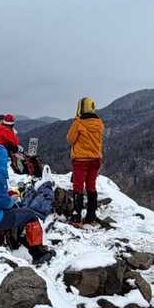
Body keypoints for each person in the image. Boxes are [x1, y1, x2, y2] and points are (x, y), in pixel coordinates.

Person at [66, 96, 104, 225]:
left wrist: (76, 121)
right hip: (95, 159)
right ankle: (91, 216)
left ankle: (77, 217)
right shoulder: (99, 123)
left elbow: (70, 139)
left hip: (81, 160)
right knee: (91, 186)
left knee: (78, 187)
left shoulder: (78, 123)